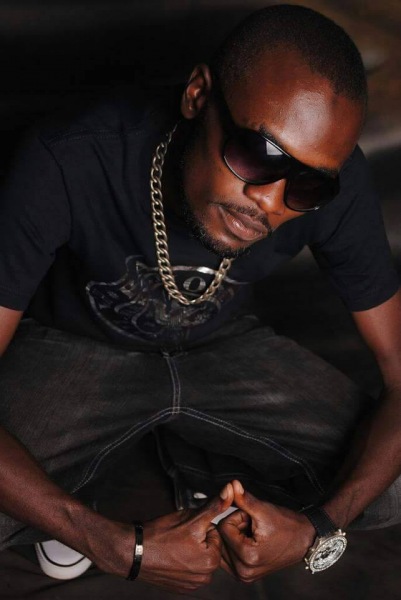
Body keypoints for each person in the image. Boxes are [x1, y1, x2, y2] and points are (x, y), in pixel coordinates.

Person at [0, 3, 400, 593]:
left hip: (223, 347)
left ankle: (211, 479)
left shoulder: (337, 185)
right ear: (197, 96)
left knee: (391, 483)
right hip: (77, 344)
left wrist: (319, 529)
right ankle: (73, 503)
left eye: (308, 184)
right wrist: (106, 540)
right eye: (258, 155)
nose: (271, 202)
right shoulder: (71, 155)